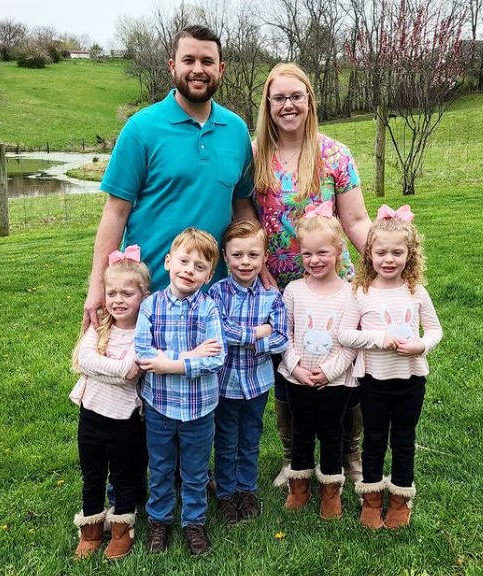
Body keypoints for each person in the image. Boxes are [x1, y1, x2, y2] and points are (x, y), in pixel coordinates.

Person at [83, 24, 258, 331]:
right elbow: (116, 211)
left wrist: (259, 262)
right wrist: (98, 285)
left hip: (213, 296)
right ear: (172, 66)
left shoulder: (236, 130)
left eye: (207, 61)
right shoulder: (141, 128)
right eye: (188, 60)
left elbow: (242, 206)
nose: (198, 69)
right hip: (147, 296)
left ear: (221, 69)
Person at [253, 62, 372, 487]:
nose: (288, 105)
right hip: (278, 285)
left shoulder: (335, 154)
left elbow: (355, 219)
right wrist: (257, 263)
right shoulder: (254, 156)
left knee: (345, 365)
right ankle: (294, 457)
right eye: (279, 98)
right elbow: (244, 213)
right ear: (268, 104)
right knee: (288, 371)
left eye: (296, 96)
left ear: (309, 101)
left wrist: (386, 266)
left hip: (333, 282)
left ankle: (350, 454)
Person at [339, 205, 443, 529]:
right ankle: (371, 497)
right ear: (369, 253)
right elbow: (345, 334)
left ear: (409, 255)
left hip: (410, 380)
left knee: (403, 439)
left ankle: (400, 497)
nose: (388, 259)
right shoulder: (360, 292)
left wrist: (421, 345)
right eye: (381, 252)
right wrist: (378, 338)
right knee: (373, 439)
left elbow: (435, 329)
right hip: (373, 382)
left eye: (397, 253)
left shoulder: (416, 291)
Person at [134, 228, 226, 556]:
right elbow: (144, 354)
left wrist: (170, 363)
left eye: (199, 267)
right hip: (159, 406)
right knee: (160, 467)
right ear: (168, 262)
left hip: (199, 409)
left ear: (209, 275)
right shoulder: (150, 306)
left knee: (195, 470)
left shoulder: (209, 308)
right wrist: (190, 357)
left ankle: (193, 522)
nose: (189, 270)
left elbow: (215, 358)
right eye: (184, 261)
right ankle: (159, 520)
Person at [70, 246, 150, 560]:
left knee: (123, 477)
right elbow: (84, 359)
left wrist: (106, 370)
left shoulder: (144, 333)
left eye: (127, 294)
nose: (118, 300)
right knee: (91, 476)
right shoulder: (100, 326)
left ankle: (121, 531)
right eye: (112, 293)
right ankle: (90, 531)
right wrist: (117, 370)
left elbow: (132, 373)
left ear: (143, 296)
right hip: (90, 417)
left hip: (124, 422)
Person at [277, 206, 358, 519]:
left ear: (338, 250)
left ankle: (330, 490)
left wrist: (328, 371)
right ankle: (299, 485)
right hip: (297, 379)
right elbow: (284, 335)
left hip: (335, 382)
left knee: (332, 433)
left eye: (322, 252)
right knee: (301, 430)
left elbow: (351, 343)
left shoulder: (350, 294)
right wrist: (296, 368)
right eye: (307, 254)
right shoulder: (294, 291)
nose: (314, 260)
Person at [208, 220, 288, 525]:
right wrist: (257, 332)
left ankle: (247, 489)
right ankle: (226, 493)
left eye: (253, 255)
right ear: (225, 256)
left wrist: (254, 338)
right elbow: (220, 331)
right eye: (237, 255)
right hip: (224, 384)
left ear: (264, 257)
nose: (245, 262)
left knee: (251, 438)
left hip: (257, 383)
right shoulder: (217, 292)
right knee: (226, 439)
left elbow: (282, 337)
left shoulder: (271, 296)